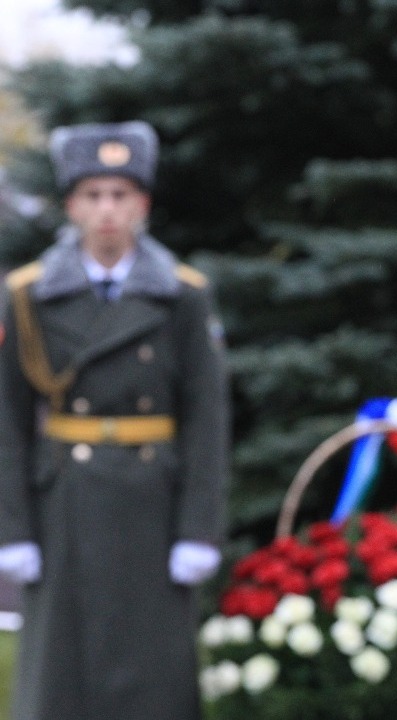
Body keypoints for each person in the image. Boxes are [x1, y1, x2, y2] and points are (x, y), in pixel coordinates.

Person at [0, 121, 229, 720]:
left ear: (142, 205)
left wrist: (199, 529)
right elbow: (7, 420)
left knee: (153, 671)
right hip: (63, 503)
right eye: (93, 195)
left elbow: (206, 418)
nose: (107, 210)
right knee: (61, 671)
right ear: (71, 206)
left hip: (153, 503)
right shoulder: (28, 296)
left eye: (121, 194)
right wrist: (11, 527)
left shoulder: (182, 296)